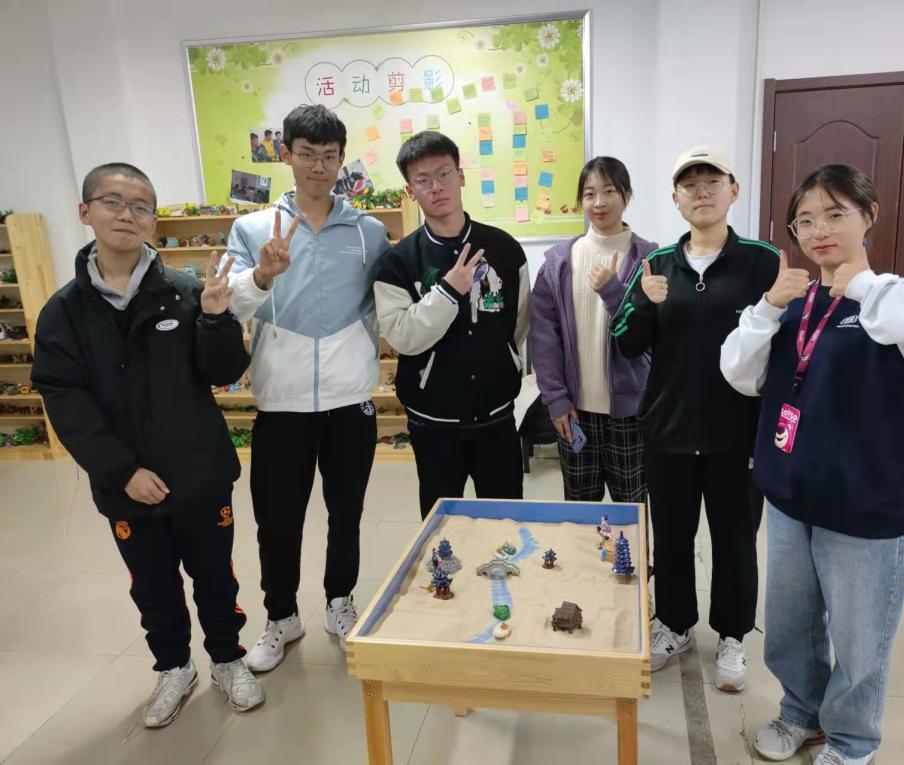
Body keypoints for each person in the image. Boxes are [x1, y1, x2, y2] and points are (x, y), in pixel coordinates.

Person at [721, 164, 904, 765]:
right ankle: (800, 713)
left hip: (862, 511)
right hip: (790, 499)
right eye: (805, 221)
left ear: (870, 216)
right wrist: (765, 308)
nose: (819, 231)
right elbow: (739, 373)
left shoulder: (897, 304)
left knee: (860, 639)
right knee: (790, 625)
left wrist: (862, 286)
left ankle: (853, 742)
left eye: (835, 215)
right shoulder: (794, 307)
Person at [31, 163, 263, 727]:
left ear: (153, 222)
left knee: (216, 575)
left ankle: (227, 658)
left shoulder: (186, 292)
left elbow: (223, 372)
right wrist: (120, 471)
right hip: (127, 487)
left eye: (140, 206)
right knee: (153, 585)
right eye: (112, 202)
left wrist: (216, 320)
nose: (126, 215)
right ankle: (173, 667)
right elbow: (65, 400)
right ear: (85, 212)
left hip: (200, 473)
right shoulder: (64, 312)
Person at [227, 104, 390, 671]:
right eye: (307, 154)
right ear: (287, 155)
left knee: (347, 512)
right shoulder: (253, 229)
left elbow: (388, 304)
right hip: (282, 402)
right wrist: (260, 275)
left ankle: (340, 602)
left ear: (342, 159)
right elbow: (229, 305)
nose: (318, 167)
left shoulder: (369, 232)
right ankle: (281, 616)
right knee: (277, 520)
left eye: (329, 156)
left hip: (350, 401)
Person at [611, 147, 778, 689]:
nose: (701, 192)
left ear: (734, 190)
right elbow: (624, 341)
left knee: (736, 540)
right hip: (669, 431)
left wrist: (766, 435)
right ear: (675, 198)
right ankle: (675, 625)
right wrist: (644, 302)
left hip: (737, 436)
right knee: (672, 538)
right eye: (690, 184)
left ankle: (732, 636)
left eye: (713, 181)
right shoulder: (657, 264)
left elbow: (783, 355)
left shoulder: (763, 262)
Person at [375, 131, 530, 519]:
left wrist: (503, 359)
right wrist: (447, 292)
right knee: (441, 528)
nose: (436, 186)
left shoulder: (505, 249)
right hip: (433, 423)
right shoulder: (398, 262)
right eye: (423, 180)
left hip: (497, 417)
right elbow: (403, 337)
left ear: (460, 175)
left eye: (444, 173)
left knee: (506, 522)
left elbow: (519, 323)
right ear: (411, 191)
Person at [531, 156, 655, 502]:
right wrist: (556, 399)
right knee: (580, 512)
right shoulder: (558, 262)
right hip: (575, 412)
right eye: (589, 194)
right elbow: (544, 338)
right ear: (580, 201)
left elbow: (652, 338)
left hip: (632, 414)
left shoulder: (650, 260)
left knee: (632, 510)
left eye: (609, 191)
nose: (599, 202)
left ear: (627, 196)